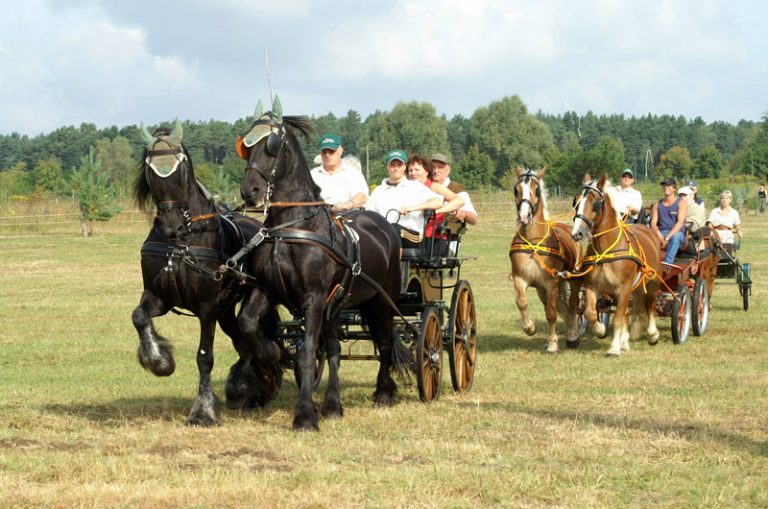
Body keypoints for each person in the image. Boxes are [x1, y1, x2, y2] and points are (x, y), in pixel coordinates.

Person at [365, 149, 443, 248]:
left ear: (404, 167)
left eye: (399, 165)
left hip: (411, 235)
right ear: (388, 167)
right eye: (393, 165)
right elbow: (368, 213)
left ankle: (394, 263)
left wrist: (413, 208)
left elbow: (437, 202)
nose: (396, 168)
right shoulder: (378, 191)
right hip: (384, 234)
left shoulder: (416, 187)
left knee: (393, 229)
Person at [310, 132, 369, 212]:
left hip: (348, 217)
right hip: (320, 219)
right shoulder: (312, 175)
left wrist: (348, 204)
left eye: (331, 151)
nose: (327, 155)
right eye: (324, 151)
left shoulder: (353, 173)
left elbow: (363, 196)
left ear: (340, 151)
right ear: (320, 153)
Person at [430, 153, 478, 225]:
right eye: (433, 167)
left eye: (440, 167)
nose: (436, 171)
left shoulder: (456, 189)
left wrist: (463, 213)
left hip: (447, 234)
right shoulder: (424, 186)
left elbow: (474, 219)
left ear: (448, 170)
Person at [651, 177, 687, 266]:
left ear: (674, 188)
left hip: (677, 233)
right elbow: (653, 223)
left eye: (668, 185)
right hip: (661, 232)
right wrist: (659, 235)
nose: (666, 187)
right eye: (664, 186)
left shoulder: (681, 202)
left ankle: (667, 263)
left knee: (676, 236)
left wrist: (667, 237)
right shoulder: (657, 204)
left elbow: (680, 223)